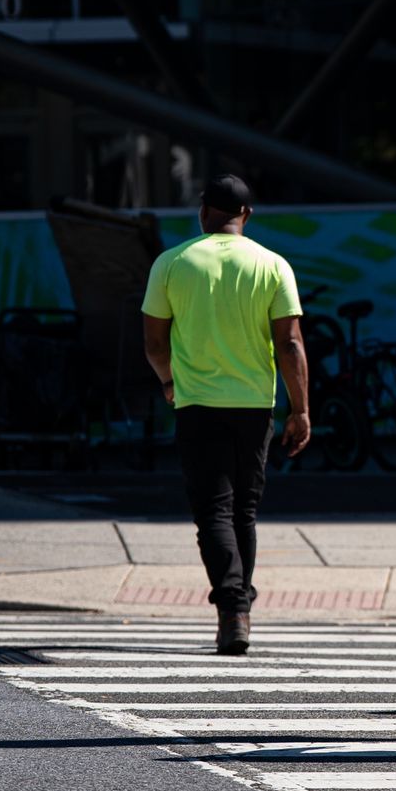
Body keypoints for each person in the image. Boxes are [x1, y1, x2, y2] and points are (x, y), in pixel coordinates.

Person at [141, 175, 309, 656]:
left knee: (212, 511)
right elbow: (291, 342)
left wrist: (170, 382)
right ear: (247, 216)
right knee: (244, 512)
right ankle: (240, 608)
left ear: (202, 212)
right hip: (254, 406)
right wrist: (301, 410)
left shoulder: (172, 263)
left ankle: (232, 608)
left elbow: (153, 343)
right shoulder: (273, 265)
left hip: (196, 404)